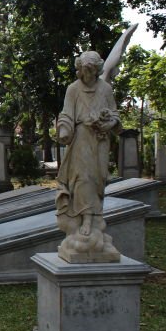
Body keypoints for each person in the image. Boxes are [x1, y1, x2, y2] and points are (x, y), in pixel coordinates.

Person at [55, 51, 121, 258]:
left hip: (100, 140)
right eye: (84, 71)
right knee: (82, 179)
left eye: (91, 71)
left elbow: (115, 116)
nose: (88, 75)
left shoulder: (106, 89)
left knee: (98, 179)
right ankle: (87, 220)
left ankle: (94, 222)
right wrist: (64, 130)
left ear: (97, 70)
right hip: (81, 138)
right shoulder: (73, 89)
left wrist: (109, 122)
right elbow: (66, 114)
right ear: (80, 70)